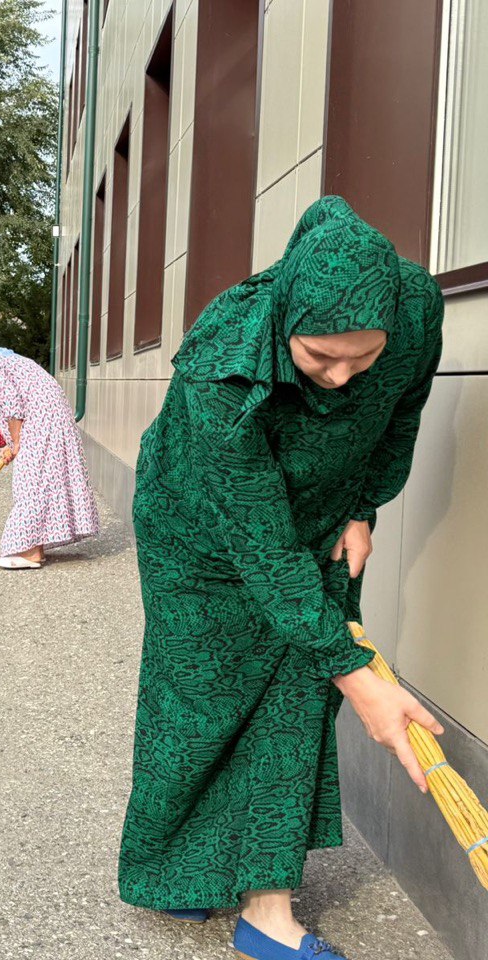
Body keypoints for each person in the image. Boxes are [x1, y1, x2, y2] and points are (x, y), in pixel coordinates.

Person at [117, 197, 445, 960]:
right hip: (198, 534)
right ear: (286, 315)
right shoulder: (222, 363)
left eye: (362, 358)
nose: (340, 377)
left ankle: (267, 911)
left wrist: (362, 508)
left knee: (294, 696)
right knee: (198, 701)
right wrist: (361, 679)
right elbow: (262, 549)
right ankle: (181, 867)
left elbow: (401, 415)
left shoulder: (417, 308)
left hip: (320, 520)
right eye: (319, 357)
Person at [0, 343, 98, 569]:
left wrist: (17, 443)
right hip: (49, 421)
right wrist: (12, 444)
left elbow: (12, 406)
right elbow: (16, 404)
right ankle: (35, 547)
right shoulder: (3, 360)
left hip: (43, 423)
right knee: (43, 481)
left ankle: (29, 552)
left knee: (30, 484)